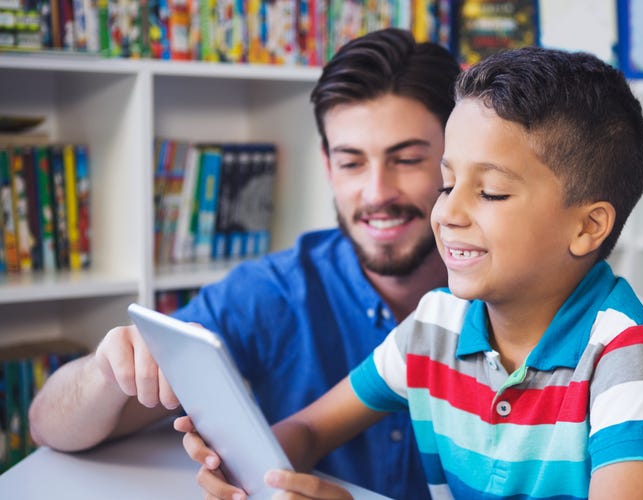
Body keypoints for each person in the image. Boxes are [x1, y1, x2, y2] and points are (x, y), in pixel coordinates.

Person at [180, 46, 643, 499]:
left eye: (490, 191)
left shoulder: (634, 364)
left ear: (587, 227)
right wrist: (246, 463)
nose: (448, 212)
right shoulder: (437, 325)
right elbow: (307, 428)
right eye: (447, 183)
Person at [27, 28, 460, 499]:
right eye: (351, 163)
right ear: (326, 164)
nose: (377, 193)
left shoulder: (515, 296)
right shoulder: (274, 291)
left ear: (455, 158)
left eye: (408, 159)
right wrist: (106, 372)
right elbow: (47, 426)